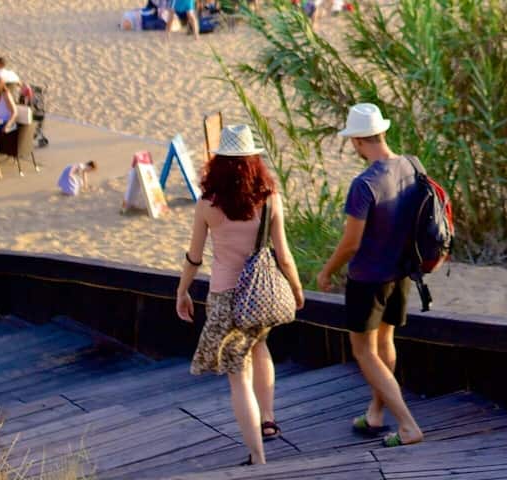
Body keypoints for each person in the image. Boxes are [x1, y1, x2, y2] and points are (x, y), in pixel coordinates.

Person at [176, 124, 305, 466]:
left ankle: (258, 458)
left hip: (225, 299)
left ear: (219, 163)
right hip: (261, 295)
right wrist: (295, 289)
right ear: (253, 161)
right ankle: (269, 419)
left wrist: (182, 291)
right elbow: (284, 255)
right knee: (260, 345)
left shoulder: (208, 205)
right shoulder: (270, 199)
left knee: (238, 378)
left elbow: (194, 257)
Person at [315, 103, 424, 448]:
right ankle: (376, 414)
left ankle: (407, 426)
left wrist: (327, 271)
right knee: (385, 342)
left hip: (368, 277)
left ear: (359, 141)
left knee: (363, 351)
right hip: (401, 271)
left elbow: (351, 243)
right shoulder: (412, 166)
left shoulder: (364, 184)